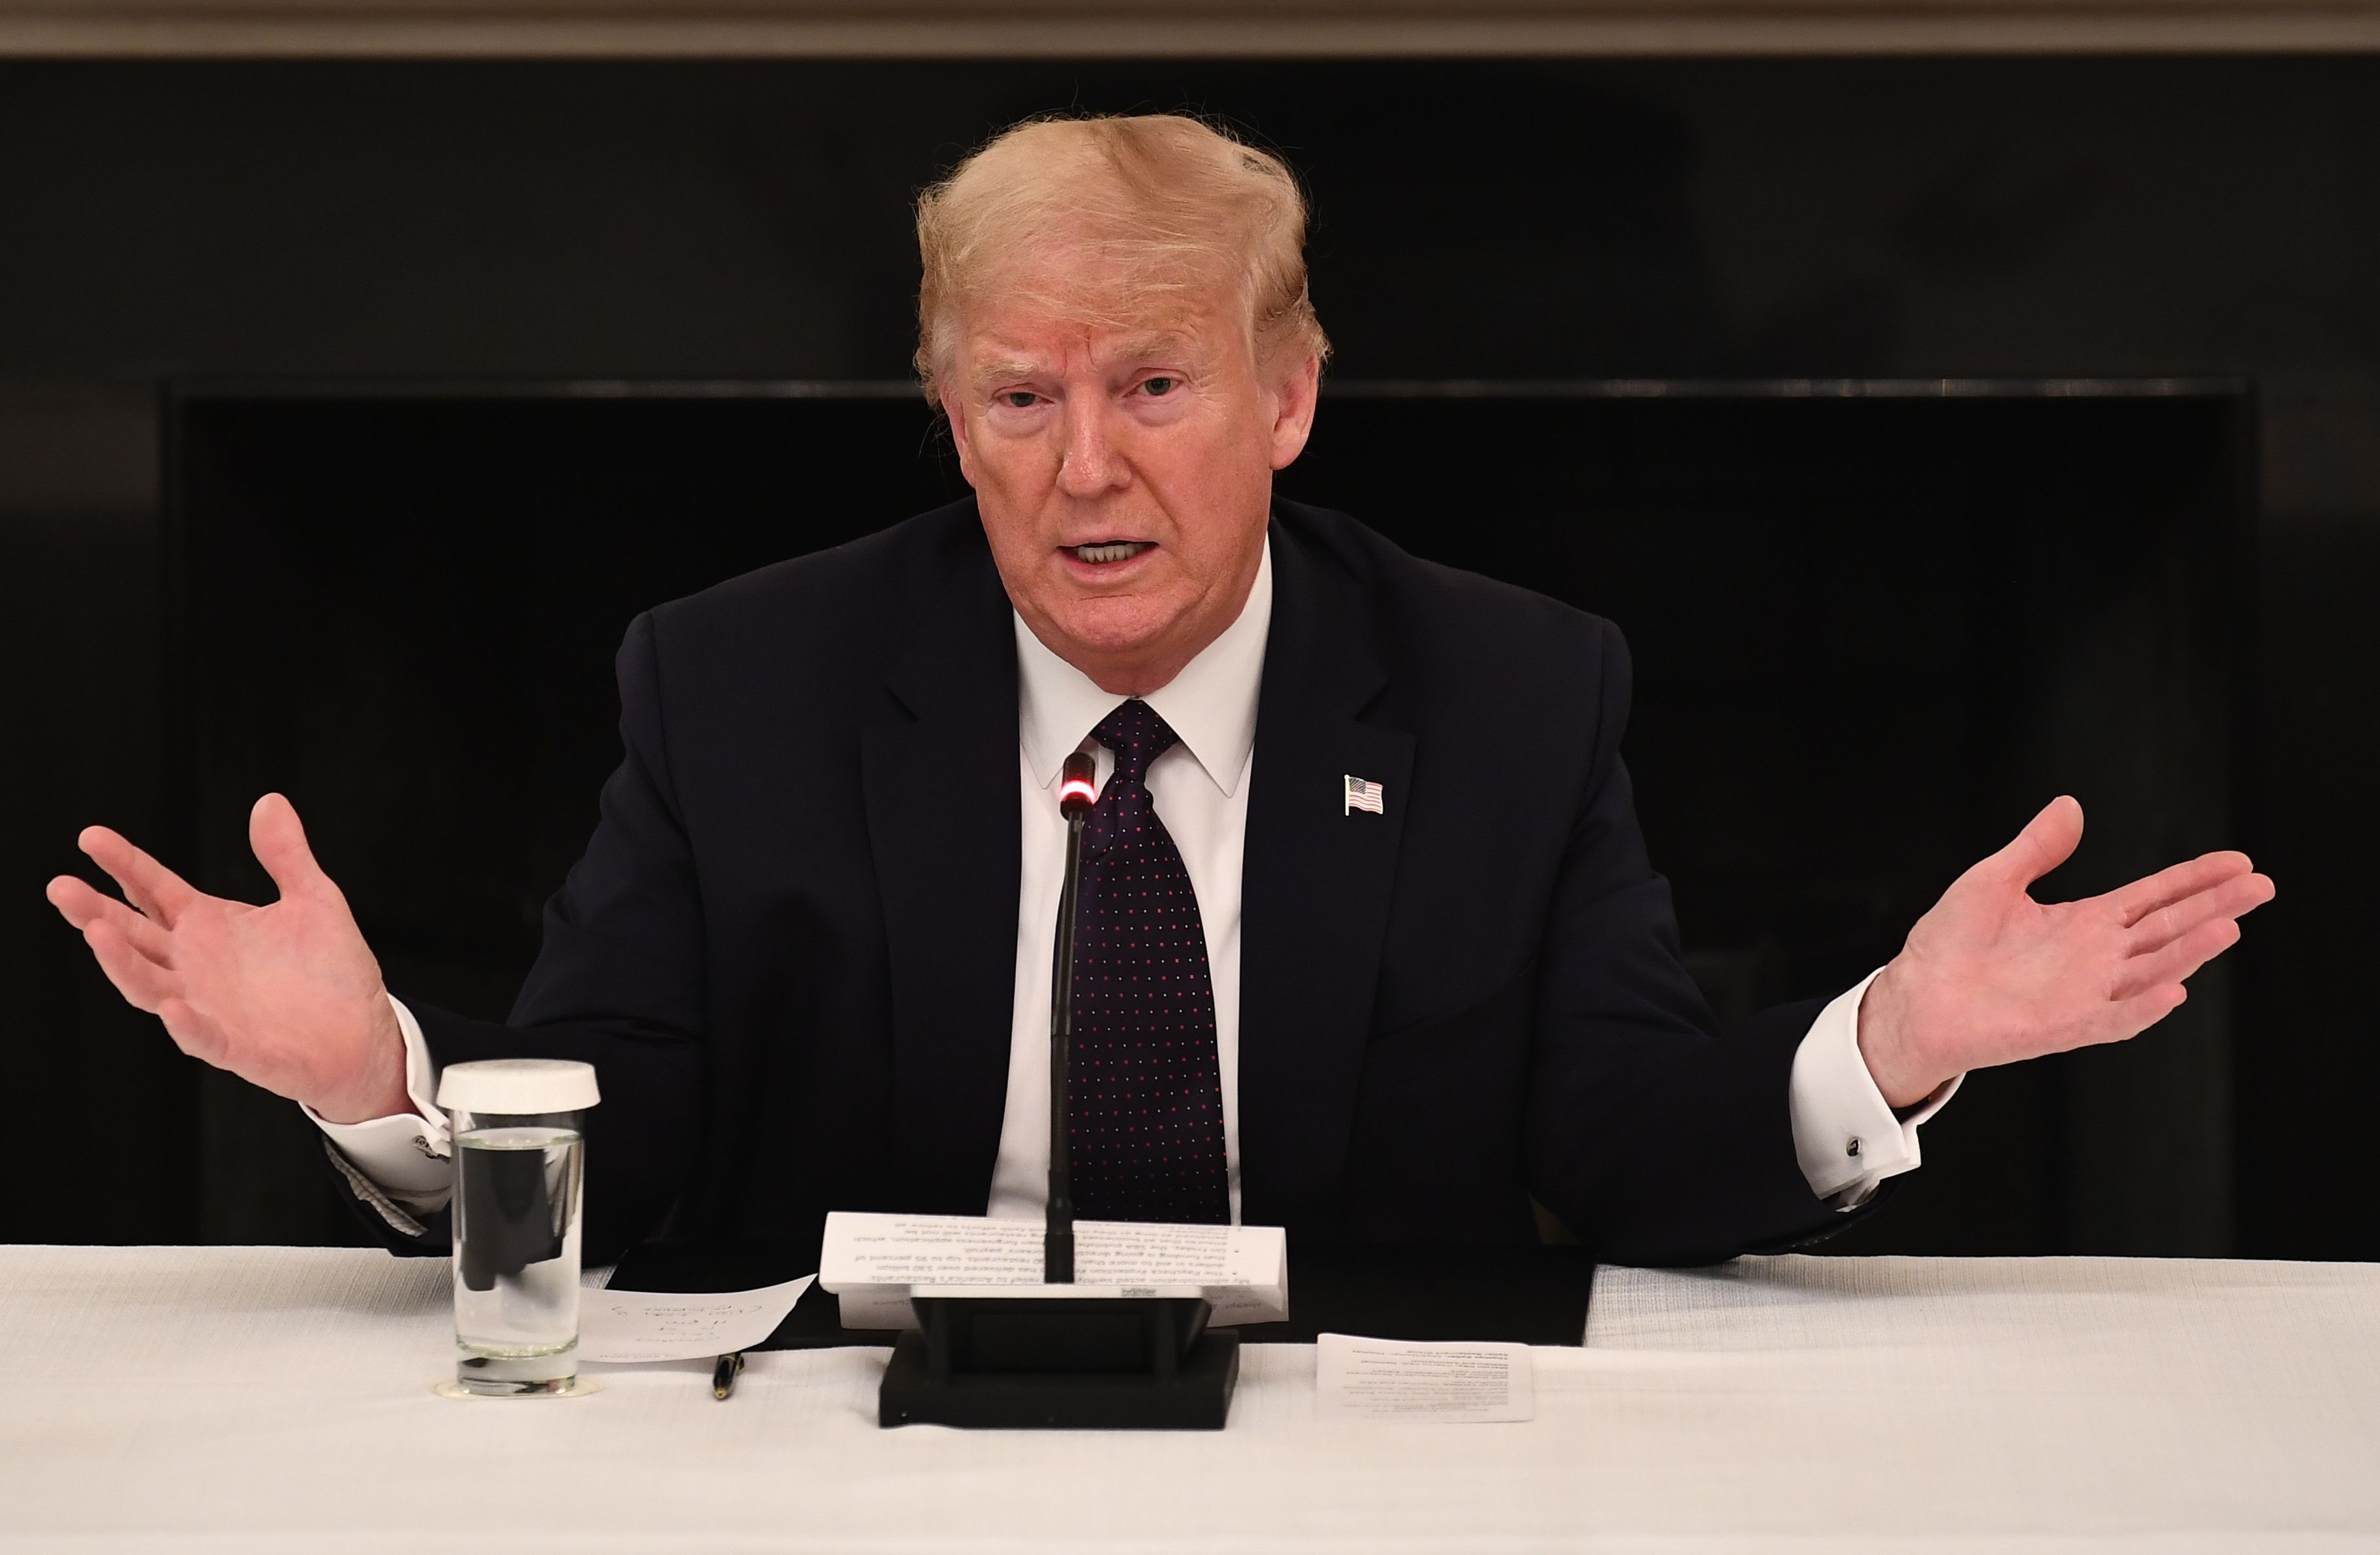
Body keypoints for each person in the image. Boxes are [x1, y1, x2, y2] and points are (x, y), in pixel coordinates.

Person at [46, 115, 2272, 1265]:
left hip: (1347, 1477)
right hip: (866, 1482)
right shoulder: (737, 684)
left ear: (1292, 398)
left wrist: (1897, 1040)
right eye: (1014, 394)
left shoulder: (1502, 690)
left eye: (1152, 383)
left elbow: (1620, 1144)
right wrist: (381, 1083)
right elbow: (619, 1154)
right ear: (940, 412)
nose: (1082, 463)